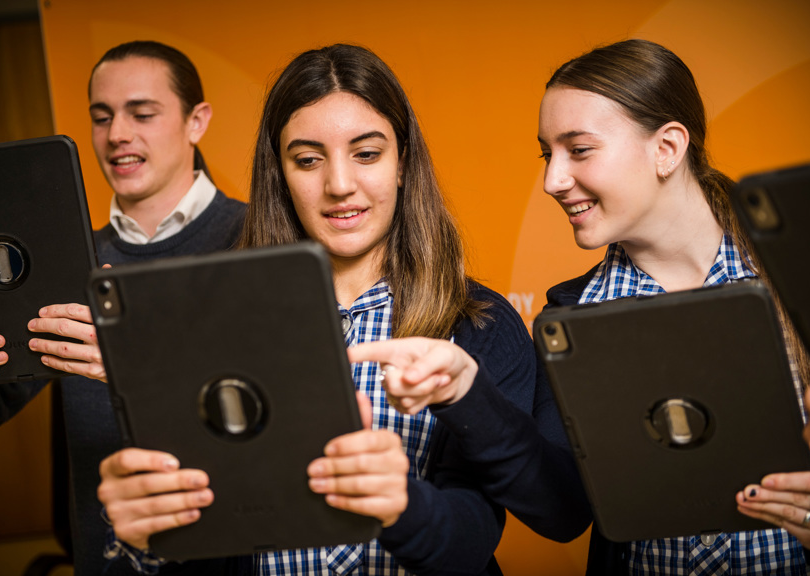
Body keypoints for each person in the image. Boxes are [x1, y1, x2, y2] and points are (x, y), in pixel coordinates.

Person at [96, 43, 590, 576]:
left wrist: (398, 503)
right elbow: (203, 527)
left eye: (367, 153)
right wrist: (147, 539)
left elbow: (473, 539)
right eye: (307, 160)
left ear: (403, 162)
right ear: (280, 174)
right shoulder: (211, 320)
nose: (338, 185)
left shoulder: (478, 324)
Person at [351, 39, 810, 574]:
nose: (553, 180)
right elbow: (562, 509)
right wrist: (464, 391)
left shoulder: (796, 276)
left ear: (667, 148)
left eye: (580, 149)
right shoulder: (571, 315)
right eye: (549, 153)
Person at [0, 40, 247, 576]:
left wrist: (144, 366)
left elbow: (278, 420)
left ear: (196, 120)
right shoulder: (67, 262)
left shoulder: (262, 242)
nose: (118, 135)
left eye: (142, 113)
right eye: (102, 117)